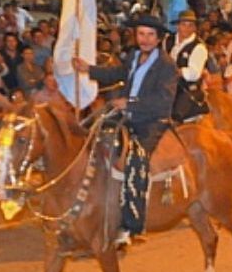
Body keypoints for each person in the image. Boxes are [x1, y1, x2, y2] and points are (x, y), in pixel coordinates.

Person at [73, 15, 177, 245]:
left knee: (136, 160)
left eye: (150, 35)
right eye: (141, 34)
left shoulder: (167, 66)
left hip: (151, 122)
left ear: (158, 38)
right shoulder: (133, 56)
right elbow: (115, 74)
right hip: (127, 116)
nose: (145, 39)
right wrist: (88, 68)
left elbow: (163, 101)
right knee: (91, 134)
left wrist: (130, 103)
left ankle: (132, 224)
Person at [169, 10, 209, 122]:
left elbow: (194, 73)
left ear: (195, 28)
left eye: (190, 25)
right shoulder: (168, 41)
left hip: (186, 90)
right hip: (166, 87)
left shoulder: (198, 47)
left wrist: (174, 71)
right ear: (178, 26)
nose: (187, 28)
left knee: (181, 116)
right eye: (183, 25)